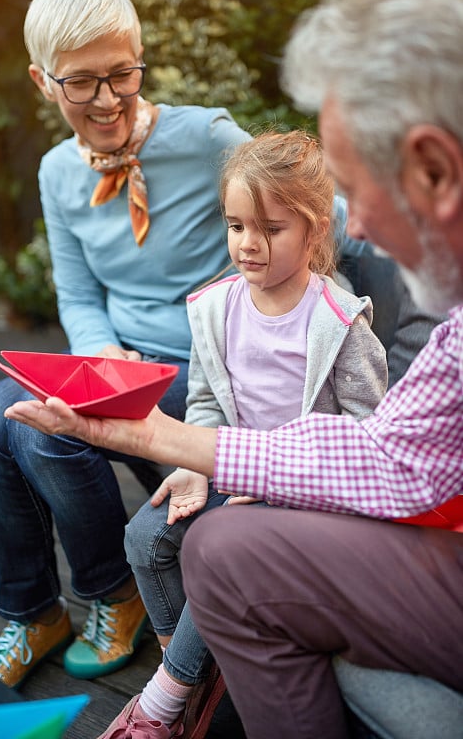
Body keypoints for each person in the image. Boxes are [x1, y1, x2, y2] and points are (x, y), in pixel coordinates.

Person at [4, 0, 463, 738]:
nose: (358, 231)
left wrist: (177, 441)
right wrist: (177, 439)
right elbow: (402, 452)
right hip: (204, 400)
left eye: (351, 190)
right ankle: (114, 633)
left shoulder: (339, 301)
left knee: (220, 547)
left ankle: (175, 697)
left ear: (432, 169)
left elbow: (384, 450)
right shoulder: (209, 295)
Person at [0, 0, 252, 690]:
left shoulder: (206, 136)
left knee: (46, 427)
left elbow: (312, 213)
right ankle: (33, 612)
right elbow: (78, 291)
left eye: (121, 74)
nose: (106, 99)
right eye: (81, 82)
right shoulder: (59, 171)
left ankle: (110, 595)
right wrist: (99, 355)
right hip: (121, 360)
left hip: (211, 368)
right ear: (43, 81)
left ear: (139, 56)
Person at [102, 130, 387, 737]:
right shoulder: (216, 308)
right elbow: (204, 400)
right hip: (230, 469)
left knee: (220, 556)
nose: (248, 244)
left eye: (270, 228)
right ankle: (205, 675)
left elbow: (370, 438)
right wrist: (191, 465)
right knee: (145, 538)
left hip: (304, 495)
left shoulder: (339, 323)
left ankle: (164, 701)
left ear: (313, 230)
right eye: (236, 225)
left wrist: (286, 487)